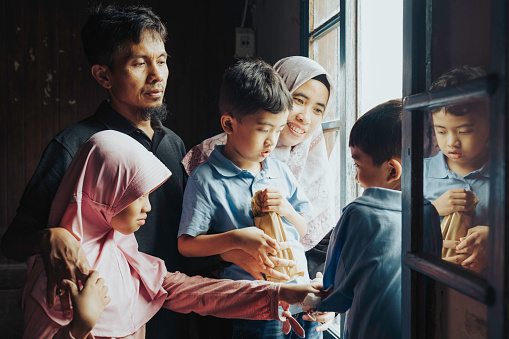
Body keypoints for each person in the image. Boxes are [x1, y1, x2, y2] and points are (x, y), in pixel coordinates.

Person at [22, 130, 322, 339]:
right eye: (135, 196)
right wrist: (78, 328)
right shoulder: (56, 273)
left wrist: (280, 293)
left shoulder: (125, 254)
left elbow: (196, 293)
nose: (148, 208)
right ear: (102, 194)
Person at [178, 59, 329, 338]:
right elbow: (187, 245)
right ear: (228, 124)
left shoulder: (279, 170)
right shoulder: (205, 179)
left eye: (277, 128)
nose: (273, 140)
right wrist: (236, 238)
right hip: (255, 302)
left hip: (301, 297)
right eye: (263, 129)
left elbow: (304, 228)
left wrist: (286, 208)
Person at [314, 100, 442, 339]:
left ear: (392, 171)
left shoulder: (357, 212)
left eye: (357, 165)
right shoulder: (430, 213)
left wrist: (320, 304)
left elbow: (336, 289)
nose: (355, 177)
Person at [424, 65, 490, 273]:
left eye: (464, 131)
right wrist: (431, 212)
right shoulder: (419, 174)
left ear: (490, 124)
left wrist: (496, 240)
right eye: (441, 131)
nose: (452, 142)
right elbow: (394, 232)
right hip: (430, 288)